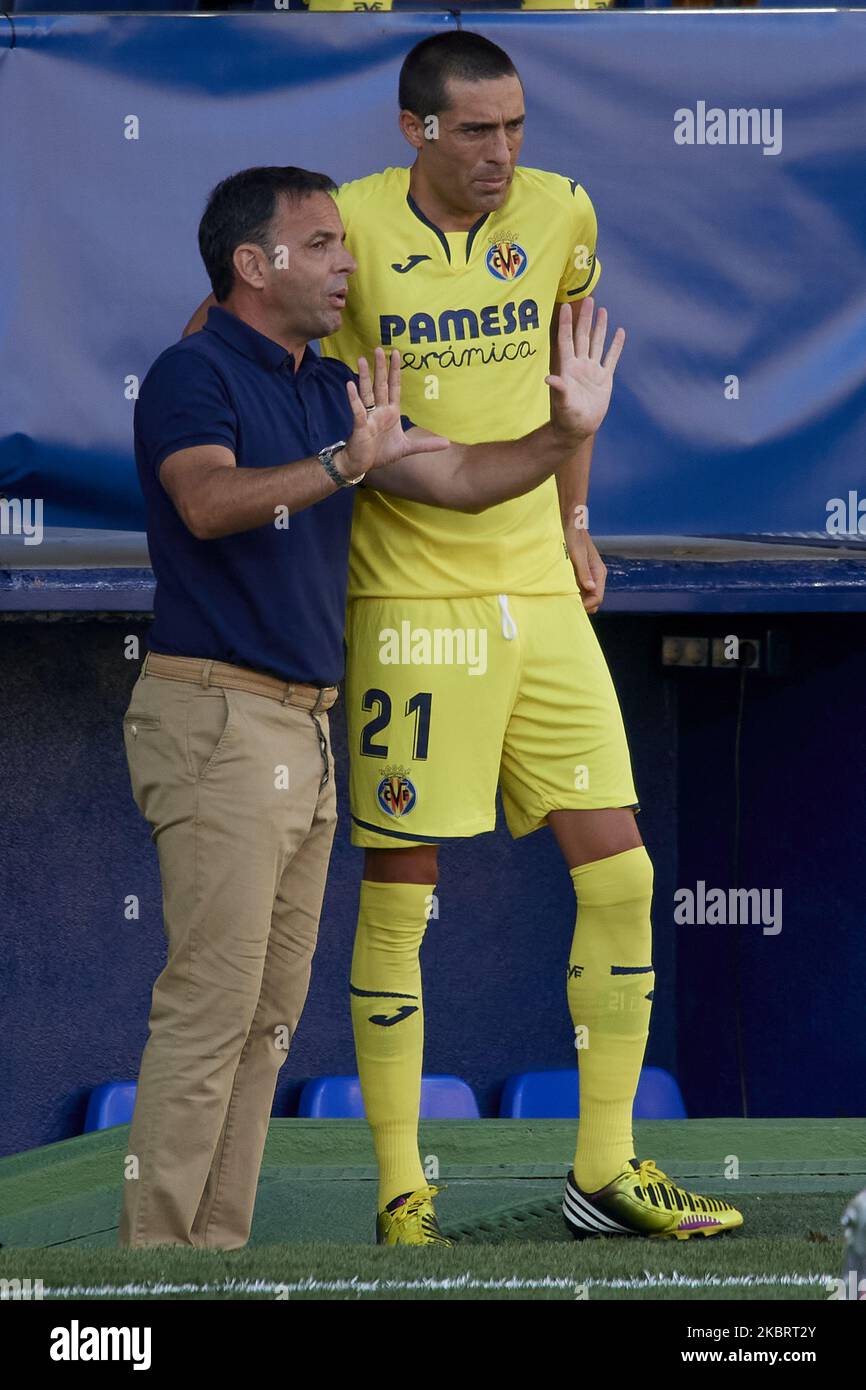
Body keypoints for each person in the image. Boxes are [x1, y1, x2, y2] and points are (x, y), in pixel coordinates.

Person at [125, 162, 622, 1248]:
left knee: (264, 1022)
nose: (348, 261)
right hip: (216, 713)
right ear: (254, 267)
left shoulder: (327, 386)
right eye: (322, 245)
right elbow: (207, 502)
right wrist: (338, 463)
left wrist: (557, 437)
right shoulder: (190, 373)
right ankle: (153, 1271)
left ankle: (211, 1256)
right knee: (212, 1008)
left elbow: (453, 478)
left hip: (303, 722)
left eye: (347, 244)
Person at [319, 31, 743, 1245]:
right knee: (403, 882)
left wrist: (574, 520)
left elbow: (574, 386)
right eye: (474, 131)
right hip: (409, 602)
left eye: (514, 126)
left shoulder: (563, 213)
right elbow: (236, 327)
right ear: (415, 131)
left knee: (620, 871)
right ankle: (402, 1190)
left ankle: (603, 1172)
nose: (501, 153)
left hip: (538, 591)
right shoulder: (344, 226)